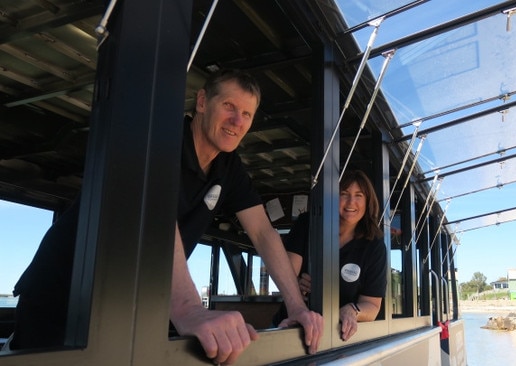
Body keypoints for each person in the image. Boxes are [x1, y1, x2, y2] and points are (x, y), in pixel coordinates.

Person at [8, 69, 323, 364]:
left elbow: (264, 233)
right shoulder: (160, 139)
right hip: (64, 290)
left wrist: (297, 307)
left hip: (125, 302)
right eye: (229, 105)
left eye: (246, 114)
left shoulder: (229, 168)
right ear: (202, 102)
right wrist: (189, 309)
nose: (235, 121)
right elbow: (154, 213)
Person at [274, 170, 387, 341]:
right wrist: (295, 284)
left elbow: (372, 305)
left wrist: (352, 310)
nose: (351, 202)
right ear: (332, 198)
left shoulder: (374, 245)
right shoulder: (307, 224)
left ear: (368, 201)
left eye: (359, 195)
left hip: (338, 337)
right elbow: (287, 273)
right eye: (344, 194)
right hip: (293, 329)